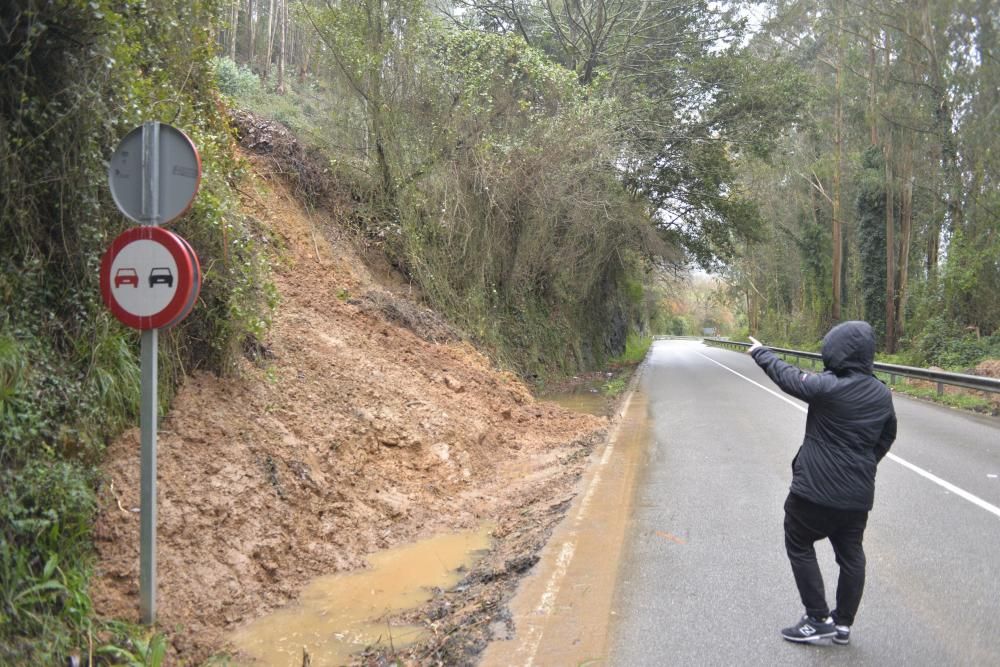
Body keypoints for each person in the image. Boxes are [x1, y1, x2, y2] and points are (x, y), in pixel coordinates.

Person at [748, 321, 896, 646]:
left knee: (799, 543)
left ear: (837, 350)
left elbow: (788, 377)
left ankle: (817, 618)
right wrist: (865, 463)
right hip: (856, 497)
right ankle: (843, 625)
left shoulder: (828, 387)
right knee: (851, 555)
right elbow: (887, 436)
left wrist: (761, 352)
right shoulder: (882, 393)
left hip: (814, 492)